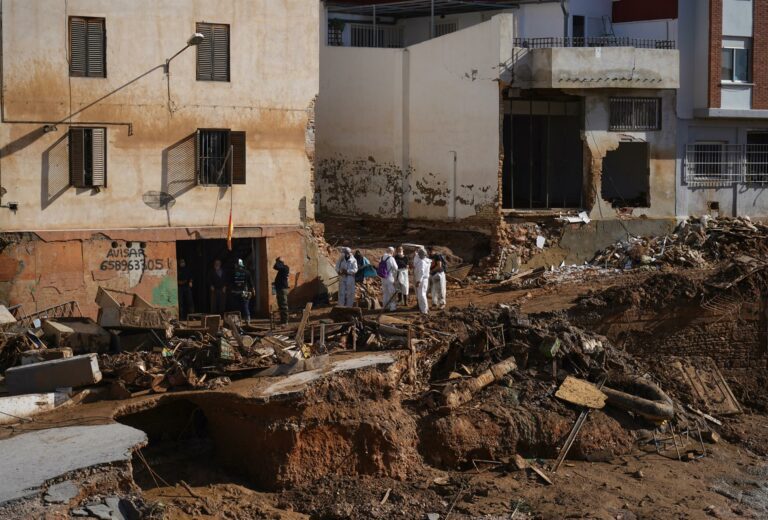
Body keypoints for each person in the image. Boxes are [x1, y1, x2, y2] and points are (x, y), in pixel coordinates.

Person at [232, 258, 254, 323]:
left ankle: (237, 320)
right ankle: (247, 319)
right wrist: (253, 289)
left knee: (237, 306)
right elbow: (251, 282)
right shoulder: (247, 272)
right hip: (245, 292)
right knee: (245, 305)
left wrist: (231, 290)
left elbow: (232, 283)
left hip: (236, 292)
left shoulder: (234, 272)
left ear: (237, 265)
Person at [379, 247, 400, 311]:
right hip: (389, 277)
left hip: (383, 277)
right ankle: (392, 307)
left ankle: (385, 306)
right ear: (392, 251)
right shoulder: (391, 258)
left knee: (385, 292)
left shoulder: (382, 257)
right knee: (392, 292)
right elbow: (396, 268)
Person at [427, 245, 447, 310]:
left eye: (429, 251)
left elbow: (439, 266)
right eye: (428, 251)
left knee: (441, 289)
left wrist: (431, 271)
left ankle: (442, 304)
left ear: (433, 250)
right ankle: (434, 304)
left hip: (439, 274)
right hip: (432, 275)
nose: (429, 252)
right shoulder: (430, 256)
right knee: (433, 290)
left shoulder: (437, 256)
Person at [413, 248, 432, 315]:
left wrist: (418, 281)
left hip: (422, 280)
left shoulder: (422, 262)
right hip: (424, 279)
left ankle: (424, 310)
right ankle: (424, 309)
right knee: (422, 294)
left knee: (421, 295)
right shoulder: (427, 261)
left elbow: (421, 272)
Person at [273, 257, 290, 325]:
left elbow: (276, 266)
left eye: (278, 262)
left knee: (283, 305)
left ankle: (285, 321)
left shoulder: (285, 267)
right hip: (279, 289)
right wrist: (278, 261)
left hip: (283, 289)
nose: (277, 263)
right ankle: (282, 320)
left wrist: (279, 261)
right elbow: (275, 267)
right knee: (280, 305)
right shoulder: (281, 268)